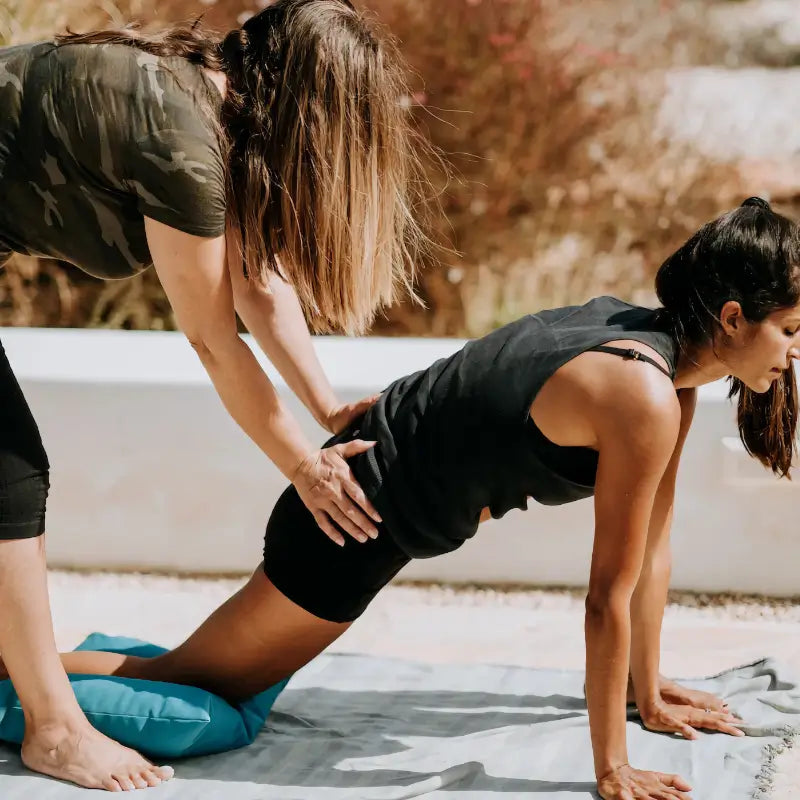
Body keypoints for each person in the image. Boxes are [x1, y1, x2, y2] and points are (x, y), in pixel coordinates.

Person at [32, 197, 800, 799]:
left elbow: (652, 555)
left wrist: (649, 692)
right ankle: (26, 678)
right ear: (733, 318)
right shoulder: (644, 395)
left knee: (207, 678)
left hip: (372, 505)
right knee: (194, 684)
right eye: (791, 329)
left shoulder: (664, 371)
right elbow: (606, 596)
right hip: (350, 520)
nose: (797, 352)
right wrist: (612, 767)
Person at [0, 0, 431, 791]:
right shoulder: (182, 141)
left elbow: (259, 287)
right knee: (8, 474)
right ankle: (54, 729)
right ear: (310, 105)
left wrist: (328, 410)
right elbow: (210, 337)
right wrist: (305, 466)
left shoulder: (208, 108)